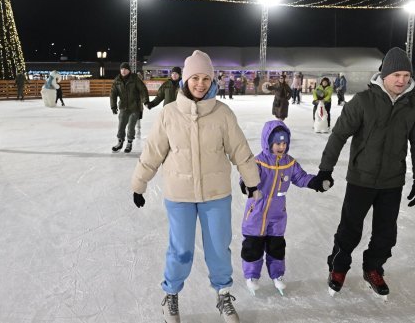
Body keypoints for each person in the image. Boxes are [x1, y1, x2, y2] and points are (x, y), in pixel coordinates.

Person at [130, 50, 259, 323]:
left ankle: (223, 295)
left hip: (216, 194)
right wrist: (139, 184)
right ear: (185, 80)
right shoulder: (169, 113)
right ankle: (171, 295)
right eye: (194, 78)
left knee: (218, 248)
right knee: (180, 249)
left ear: (212, 81)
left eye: (205, 78)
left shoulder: (223, 113)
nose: (200, 84)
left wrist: (252, 181)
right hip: (180, 195)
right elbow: (153, 152)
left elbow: (240, 150)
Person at [316, 47, 415, 299]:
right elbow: (339, 136)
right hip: (361, 178)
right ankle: (338, 267)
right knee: (349, 229)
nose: (401, 80)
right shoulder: (363, 101)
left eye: (406, 75)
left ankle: (373, 268)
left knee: (386, 232)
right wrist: (326, 169)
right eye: (396, 75)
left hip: (392, 181)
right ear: (384, 74)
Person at [239, 120, 328, 296]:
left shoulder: (289, 163)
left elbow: (301, 178)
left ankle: (277, 275)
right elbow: (246, 177)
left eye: (284, 143)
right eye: (277, 143)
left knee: (276, 246)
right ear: (268, 142)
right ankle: (252, 276)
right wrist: (247, 186)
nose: (281, 146)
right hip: (256, 213)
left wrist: (315, 182)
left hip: (278, 215)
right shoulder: (259, 162)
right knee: (253, 246)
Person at [110, 62, 148, 153]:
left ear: (129, 70)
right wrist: (113, 106)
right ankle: (120, 142)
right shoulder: (117, 80)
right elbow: (113, 94)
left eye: (125, 69)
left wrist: (145, 100)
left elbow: (143, 90)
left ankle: (129, 143)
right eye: (122, 69)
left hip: (134, 107)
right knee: (121, 126)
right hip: (123, 107)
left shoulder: (135, 79)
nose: (123, 71)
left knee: (131, 126)